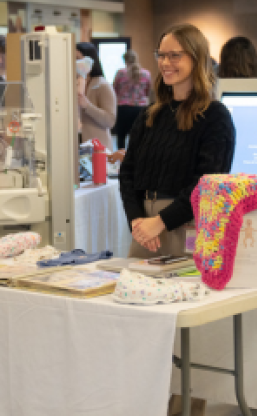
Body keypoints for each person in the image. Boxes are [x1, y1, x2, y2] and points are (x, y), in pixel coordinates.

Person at [120, 23, 235, 257]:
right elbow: (127, 172)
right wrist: (136, 220)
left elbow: (207, 183)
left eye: (174, 56)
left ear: (196, 59)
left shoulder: (215, 116)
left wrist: (160, 222)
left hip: (184, 226)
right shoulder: (150, 114)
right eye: (161, 55)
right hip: (144, 229)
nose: (164, 63)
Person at [74, 42, 117, 151]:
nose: (75, 62)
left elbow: (110, 121)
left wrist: (87, 106)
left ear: (89, 60)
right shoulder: (74, 85)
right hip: (77, 147)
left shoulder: (103, 85)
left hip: (98, 149)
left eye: (78, 58)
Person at [111, 50, 151, 151]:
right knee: (139, 136)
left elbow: (114, 90)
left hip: (123, 108)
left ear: (125, 60)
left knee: (121, 136)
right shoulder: (146, 73)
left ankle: (121, 159)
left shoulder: (120, 73)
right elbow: (147, 92)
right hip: (140, 109)